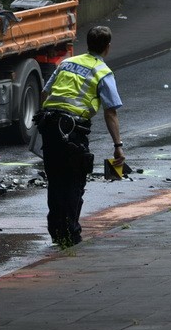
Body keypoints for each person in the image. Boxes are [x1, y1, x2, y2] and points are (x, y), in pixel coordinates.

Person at [35, 25, 124, 247]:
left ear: (88, 44)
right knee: (74, 182)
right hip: (72, 129)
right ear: (108, 47)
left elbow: (45, 92)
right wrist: (118, 145)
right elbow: (110, 111)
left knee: (55, 180)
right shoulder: (102, 72)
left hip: (50, 125)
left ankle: (57, 233)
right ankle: (71, 236)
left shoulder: (67, 63)